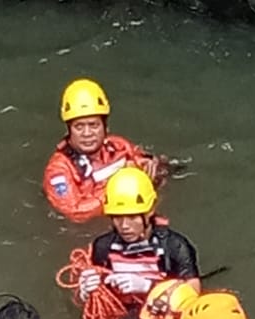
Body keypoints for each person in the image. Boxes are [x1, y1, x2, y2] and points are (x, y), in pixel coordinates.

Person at [43, 78, 164, 223]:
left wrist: (151, 168)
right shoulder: (59, 169)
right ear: (69, 130)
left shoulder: (118, 145)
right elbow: (75, 212)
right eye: (79, 127)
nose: (87, 133)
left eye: (93, 125)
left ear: (105, 127)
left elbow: (145, 162)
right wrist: (118, 184)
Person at [78, 168, 200, 313]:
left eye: (132, 217)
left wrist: (149, 287)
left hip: (159, 317)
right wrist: (85, 293)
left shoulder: (174, 246)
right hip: (121, 316)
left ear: (150, 211)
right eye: (117, 217)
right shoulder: (103, 246)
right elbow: (91, 304)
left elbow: (192, 297)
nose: (124, 226)